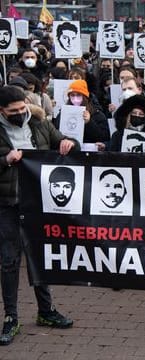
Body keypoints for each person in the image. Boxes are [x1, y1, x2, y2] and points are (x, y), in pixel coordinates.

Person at [0, 85, 76, 346]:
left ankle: (46, 310)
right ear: (2, 111)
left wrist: (68, 143)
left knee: (40, 256)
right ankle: (11, 317)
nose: (21, 114)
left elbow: (61, 141)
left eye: (23, 108)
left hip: (36, 204)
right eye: (14, 111)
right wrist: (6, 160)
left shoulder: (41, 123)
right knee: (10, 261)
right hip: (8, 204)